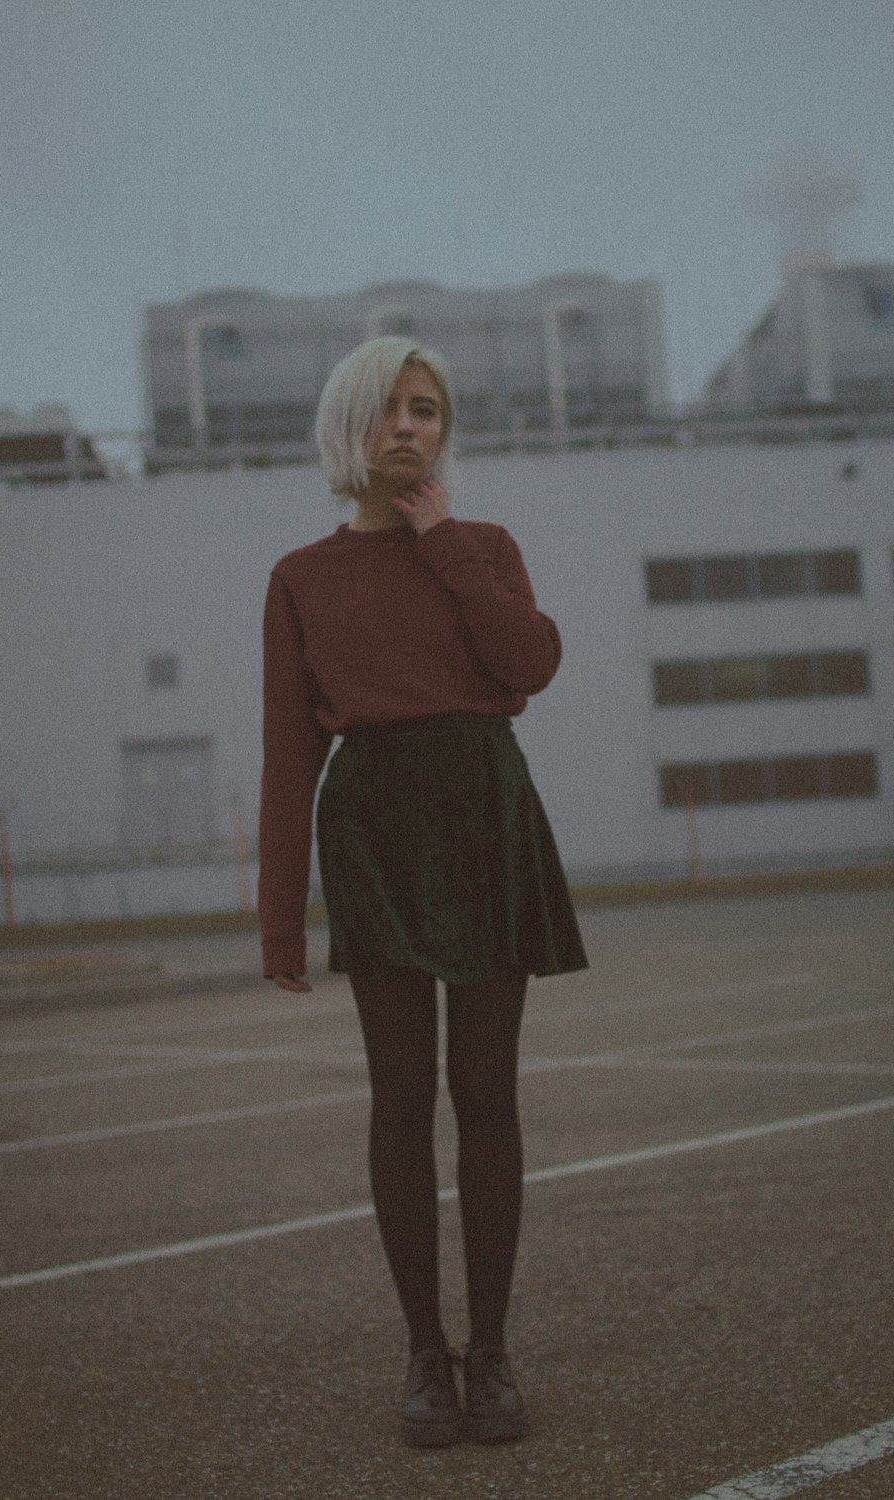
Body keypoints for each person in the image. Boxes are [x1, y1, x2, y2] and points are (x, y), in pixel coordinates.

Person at [258, 335, 587, 1447]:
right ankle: (422, 1355)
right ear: (347, 426)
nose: (408, 427)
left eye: (428, 410)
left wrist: (442, 539)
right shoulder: (301, 577)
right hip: (377, 825)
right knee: (399, 1098)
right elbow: (287, 753)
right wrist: (277, 917)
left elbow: (528, 663)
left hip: (483, 806)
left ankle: (489, 1354)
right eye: (389, 409)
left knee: (485, 1094)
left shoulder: (482, 544)